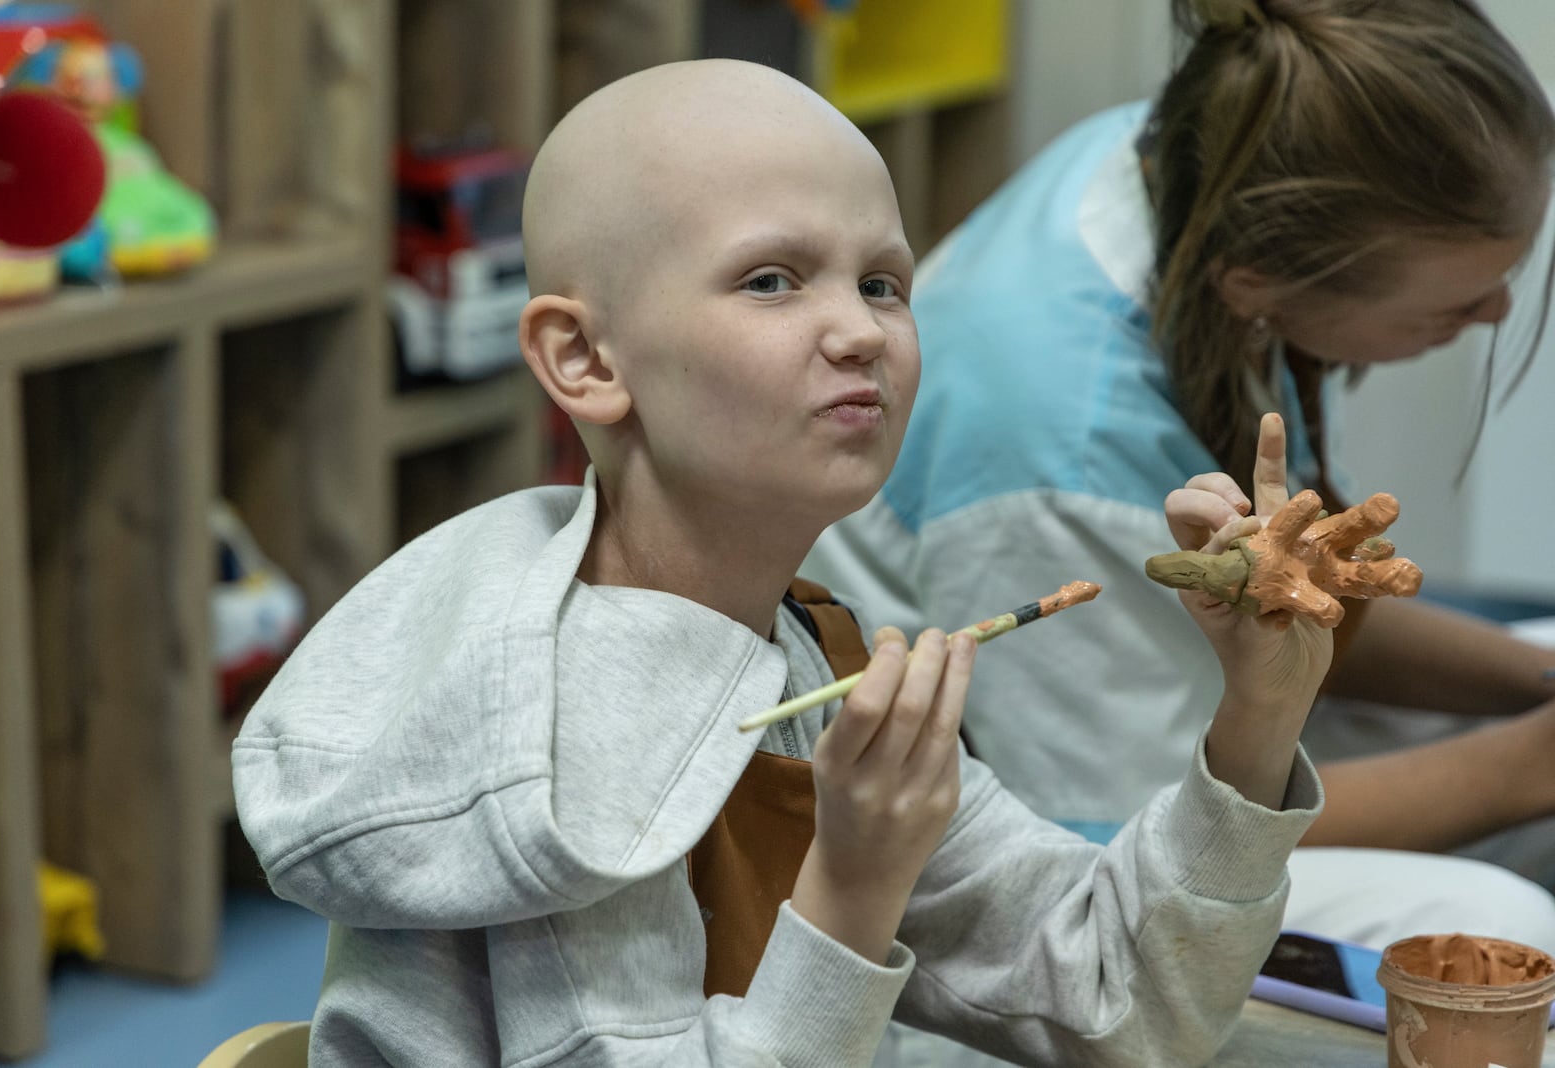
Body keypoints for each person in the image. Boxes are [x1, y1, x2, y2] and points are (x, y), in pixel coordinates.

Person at [234, 58, 1333, 1066]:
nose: (859, 331)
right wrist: (852, 890)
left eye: (882, 283)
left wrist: (1257, 720)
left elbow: (1120, 1002)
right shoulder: (554, 750)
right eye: (770, 280)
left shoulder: (809, 648)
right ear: (583, 358)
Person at [804, 0, 1555, 962]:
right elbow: (1140, 842)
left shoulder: (1211, 155)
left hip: (1159, 690)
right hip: (1036, 843)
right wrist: (1531, 766)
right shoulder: (1062, 445)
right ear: (1258, 287)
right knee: (1500, 925)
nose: (1495, 312)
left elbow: (1306, 609)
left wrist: (1537, 684)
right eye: (1450, 307)